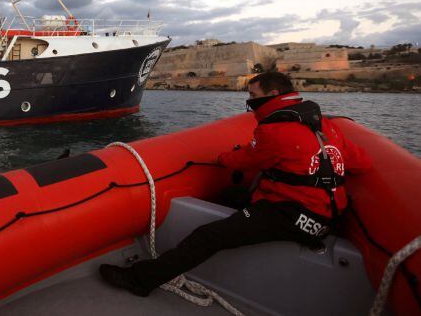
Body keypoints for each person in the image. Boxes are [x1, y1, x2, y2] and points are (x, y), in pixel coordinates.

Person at [99, 71, 372, 297]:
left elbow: (240, 161)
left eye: (253, 95)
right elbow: (361, 163)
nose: (250, 101)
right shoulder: (324, 125)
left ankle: (141, 280)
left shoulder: (274, 130)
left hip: (292, 215)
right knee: (233, 195)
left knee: (209, 236)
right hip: (329, 214)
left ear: (272, 95)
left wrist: (222, 157)